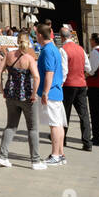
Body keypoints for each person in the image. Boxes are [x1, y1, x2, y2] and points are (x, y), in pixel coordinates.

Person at [0, 32, 44, 169]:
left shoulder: (10, 55)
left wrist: (1, 88)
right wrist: (34, 93)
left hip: (11, 95)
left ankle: (3, 156)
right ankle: (35, 160)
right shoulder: (29, 58)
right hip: (27, 96)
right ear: (28, 43)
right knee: (33, 128)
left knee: (10, 126)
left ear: (17, 42)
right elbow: (37, 77)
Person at [36, 22, 67, 165]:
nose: (35, 37)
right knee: (58, 124)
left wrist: (45, 92)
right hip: (56, 91)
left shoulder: (47, 50)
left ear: (40, 35)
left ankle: (55, 155)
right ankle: (60, 154)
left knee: (54, 124)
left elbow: (49, 72)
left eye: (36, 34)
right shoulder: (54, 48)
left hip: (51, 92)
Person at [60, 31, 93, 151]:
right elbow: (89, 68)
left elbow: (64, 71)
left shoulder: (63, 50)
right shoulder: (81, 49)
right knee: (84, 114)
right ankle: (87, 142)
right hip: (81, 85)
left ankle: (62, 139)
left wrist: (61, 83)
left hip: (68, 85)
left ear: (62, 37)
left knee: (65, 113)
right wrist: (82, 76)